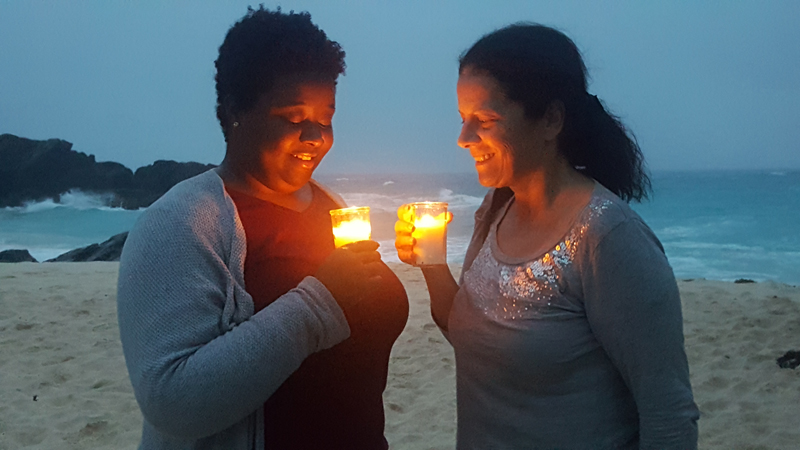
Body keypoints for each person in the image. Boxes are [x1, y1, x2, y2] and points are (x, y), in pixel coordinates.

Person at [395, 23, 699, 449]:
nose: (463, 139)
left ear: (551, 119)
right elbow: (473, 334)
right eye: (463, 120)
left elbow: (669, 414)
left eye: (485, 120)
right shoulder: (496, 208)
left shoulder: (607, 237)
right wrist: (431, 265)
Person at [118, 7, 408, 450]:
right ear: (235, 109)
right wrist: (318, 302)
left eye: (326, 119)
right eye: (293, 118)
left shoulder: (332, 207)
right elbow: (172, 402)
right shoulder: (180, 223)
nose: (315, 136)